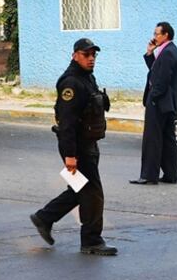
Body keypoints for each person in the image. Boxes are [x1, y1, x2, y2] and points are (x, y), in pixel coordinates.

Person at [30, 38, 117, 256]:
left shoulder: (86, 78)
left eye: (93, 55)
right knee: (92, 194)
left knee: (80, 190)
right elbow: (66, 122)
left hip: (88, 144)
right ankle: (91, 241)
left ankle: (44, 217)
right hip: (77, 147)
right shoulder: (71, 83)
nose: (91, 59)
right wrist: (70, 155)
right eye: (86, 55)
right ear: (75, 55)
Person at [132, 21, 177, 185]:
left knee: (152, 139)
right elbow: (155, 71)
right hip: (168, 102)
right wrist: (149, 53)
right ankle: (170, 174)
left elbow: (162, 79)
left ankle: (148, 175)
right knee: (168, 139)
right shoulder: (169, 51)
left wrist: (153, 97)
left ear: (165, 34)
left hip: (160, 102)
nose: (154, 37)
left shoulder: (168, 52)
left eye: (156, 34)